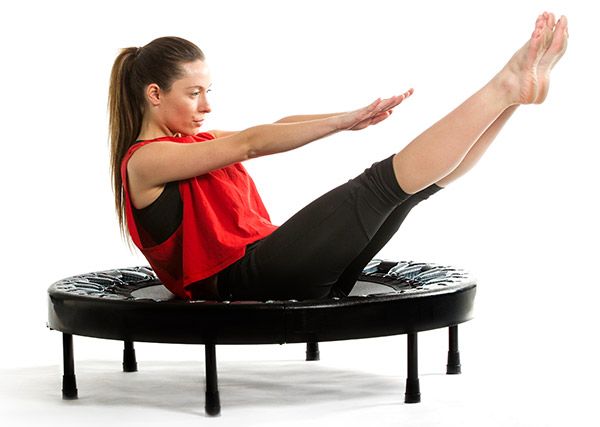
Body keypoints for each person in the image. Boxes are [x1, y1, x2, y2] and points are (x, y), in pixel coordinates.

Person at [108, 12, 568, 301]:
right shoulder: (144, 163)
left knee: (412, 191)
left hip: (270, 270)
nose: (206, 106)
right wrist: (342, 124)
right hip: (244, 283)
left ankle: (512, 99)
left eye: (208, 91)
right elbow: (249, 142)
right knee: (380, 184)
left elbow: (276, 123)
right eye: (193, 94)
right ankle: (504, 86)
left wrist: (353, 115)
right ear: (154, 94)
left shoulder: (189, 145)